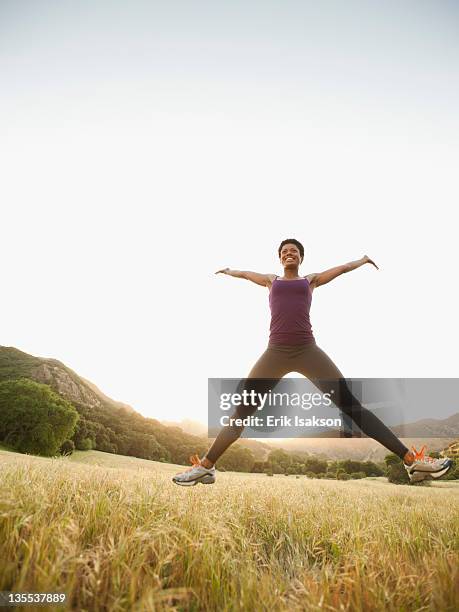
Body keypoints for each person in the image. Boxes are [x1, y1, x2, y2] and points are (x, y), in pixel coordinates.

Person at [173, 239, 453, 486]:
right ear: (280, 258)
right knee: (243, 410)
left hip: (308, 350)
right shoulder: (272, 280)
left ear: (301, 257)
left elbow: (341, 269)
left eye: (294, 250)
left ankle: (411, 461)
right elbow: (246, 274)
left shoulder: (311, 280)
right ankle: (206, 468)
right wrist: (229, 271)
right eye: (284, 251)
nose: (289, 253)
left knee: (352, 407)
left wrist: (362, 260)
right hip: (275, 352)